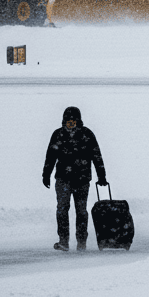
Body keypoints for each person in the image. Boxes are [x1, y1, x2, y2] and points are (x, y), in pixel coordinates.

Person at [42, 105, 107, 251]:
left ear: (78, 120)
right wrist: (46, 174)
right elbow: (50, 157)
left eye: (73, 120)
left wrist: (102, 175)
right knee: (69, 210)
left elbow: (96, 156)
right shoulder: (63, 134)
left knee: (76, 210)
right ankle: (67, 241)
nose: (70, 122)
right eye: (68, 120)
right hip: (68, 179)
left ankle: (78, 242)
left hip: (79, 179)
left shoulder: (83, 134)